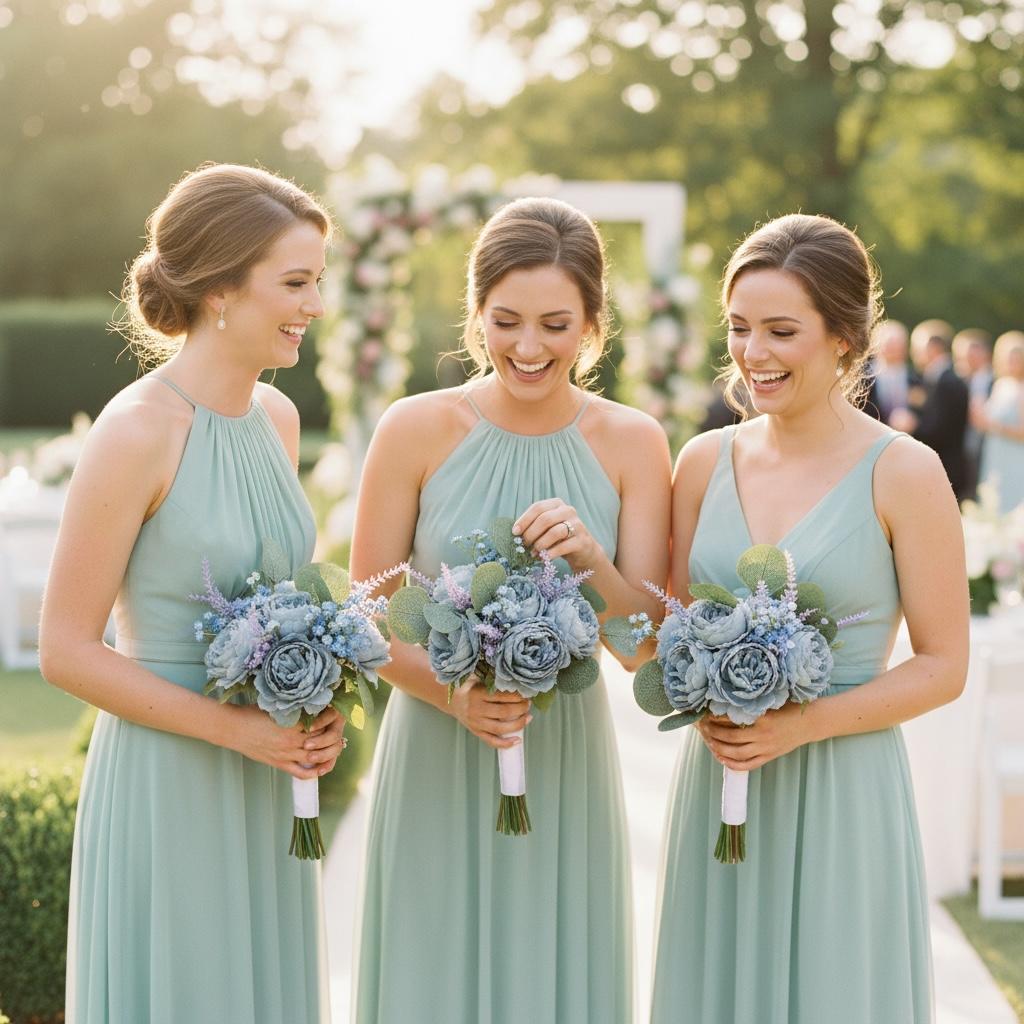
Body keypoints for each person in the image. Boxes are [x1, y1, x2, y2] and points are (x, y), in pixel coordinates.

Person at [347, 196, 672, 1024]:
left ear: (594, 323)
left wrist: (592, 562)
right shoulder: (412, 429)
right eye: (507, 320)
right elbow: (367, 618)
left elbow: (643, 650)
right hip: (434, 740)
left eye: (557, 324)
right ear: (475, 312)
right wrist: (457, 698)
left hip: (563, 753)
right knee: (433, 972)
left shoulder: (636, 442)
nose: (529, 347)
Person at [38, 163, 343, 1024]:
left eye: (316, 280)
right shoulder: (136, 432)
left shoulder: (276, 421)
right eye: (294, 282)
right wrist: (234, 731)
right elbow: (65, 650)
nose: (315, 304)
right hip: (171, 773)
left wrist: (308, 700)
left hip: (268, 771)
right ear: (218, 288)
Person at [651, 214, 969, 1023]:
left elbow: (944, 665)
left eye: (781, 331)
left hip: (843, 790)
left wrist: (802, 725)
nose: (753, 353)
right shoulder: (701, 463)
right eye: (740, 328)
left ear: (844, 338)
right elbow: (664, 629)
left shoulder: (906, 472)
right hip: (721, 785)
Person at [890, 318, 970, 501]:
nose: (913, 353)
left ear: (933, 348)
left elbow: (940, 430)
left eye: (917, 348)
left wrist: (911, 425)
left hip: (948, 469)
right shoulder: (937, 378)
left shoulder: (948, 382)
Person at [975, 330, 1024, 513]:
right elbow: (985, 423)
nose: (1011, 364)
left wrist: (995, 426)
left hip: (1015, 458)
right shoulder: (1000, 384)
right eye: (1007, 358)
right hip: (996, 453)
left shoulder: (1022, 389)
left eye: (1016, 359)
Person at [953, 327, 994, 501]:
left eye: (972, 354)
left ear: (985, 354)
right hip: (961, 449)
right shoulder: (957, 381)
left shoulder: (997, 381)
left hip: (988, 447)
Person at [861, 318, 920, 424]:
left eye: (898, 344)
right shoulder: (862, 377)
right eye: (889, 344)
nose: (894, 349)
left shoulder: (917, 377)